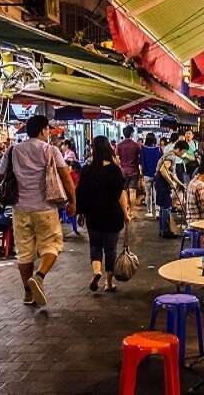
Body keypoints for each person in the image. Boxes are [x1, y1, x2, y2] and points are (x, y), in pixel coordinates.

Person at [0, 115, 77, 306]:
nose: (49, 133)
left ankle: (27, 293)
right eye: (48, 129)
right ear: (42, 131)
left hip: (20, 209)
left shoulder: (13, 150)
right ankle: (38, 277)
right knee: (52, 246)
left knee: (24, 253)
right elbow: (66, 179)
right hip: (45, 208)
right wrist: (72, 201)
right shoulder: (51, 150)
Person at [76, 136, 130, 293]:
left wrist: (81, 213)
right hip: (113, 216)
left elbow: (81, 193)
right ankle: (109, 282)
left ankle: (96, 271)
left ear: (93, 150)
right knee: (111, 249)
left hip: (93, 215)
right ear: (108, 149)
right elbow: (121, 195)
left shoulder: (87, 170)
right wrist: (126, 214)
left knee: (95, 245)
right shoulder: (114, 170)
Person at [155, 140, 188, 238]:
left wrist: (180, 184)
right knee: (166, 207)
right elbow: (163, 170)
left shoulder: (170, 155)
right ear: (178, 149)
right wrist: (170, 183)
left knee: (163, 207)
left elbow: (172, 174)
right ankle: (165, 231)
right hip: (162, 182)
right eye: (183, 151)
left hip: (160, 181)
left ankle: (162, 230)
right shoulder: (171, 156)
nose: (183, 154)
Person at [115, 125, 142, 210]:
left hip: (123, 172)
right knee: (133, 191)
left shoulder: (119, 145)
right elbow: (140, 158)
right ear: (131, 134)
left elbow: (117, 160)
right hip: (134, 171)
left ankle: (125, 208)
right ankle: (132, 211)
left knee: (124, 191)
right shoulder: (136, 145)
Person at [140, 133, 163, 218]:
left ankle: (149, 211)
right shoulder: (158, 149)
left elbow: (142, 162)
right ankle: (157, 211)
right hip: (157, 174)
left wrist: (142, 173)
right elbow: (161, 161)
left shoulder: (143, 148)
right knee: (156, 193)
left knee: (148, 193)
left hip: (147, 174)